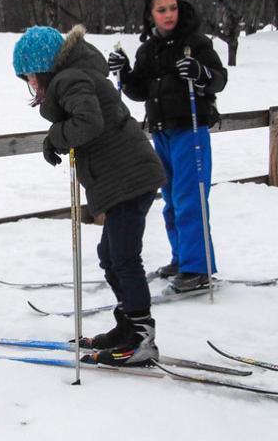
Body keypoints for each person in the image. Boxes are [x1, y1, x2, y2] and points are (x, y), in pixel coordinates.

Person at [12, 25, 167, 367]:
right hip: (124, 179)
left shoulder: (69, 80)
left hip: (128, 178)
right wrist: (56, 136)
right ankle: (127, 325)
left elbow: (88, 123)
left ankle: (141, 338)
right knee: (110, 255)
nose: (31, 84)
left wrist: (56, 136)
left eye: (31, 76)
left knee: (124, 257)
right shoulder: (75, 76)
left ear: (44, 68)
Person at [109, 0, 227, 292]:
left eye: (172, 8)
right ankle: (182, 258)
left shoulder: (195, 43)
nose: (169, 14)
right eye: (162, 10)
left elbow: (218, 79)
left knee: (191, 198)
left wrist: (200, 73)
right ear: (150, 15)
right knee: (172, 199)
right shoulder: (149, 49)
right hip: (161, 131)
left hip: (191, 129)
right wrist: (124, 72)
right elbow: (139, 91)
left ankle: (198, 267)